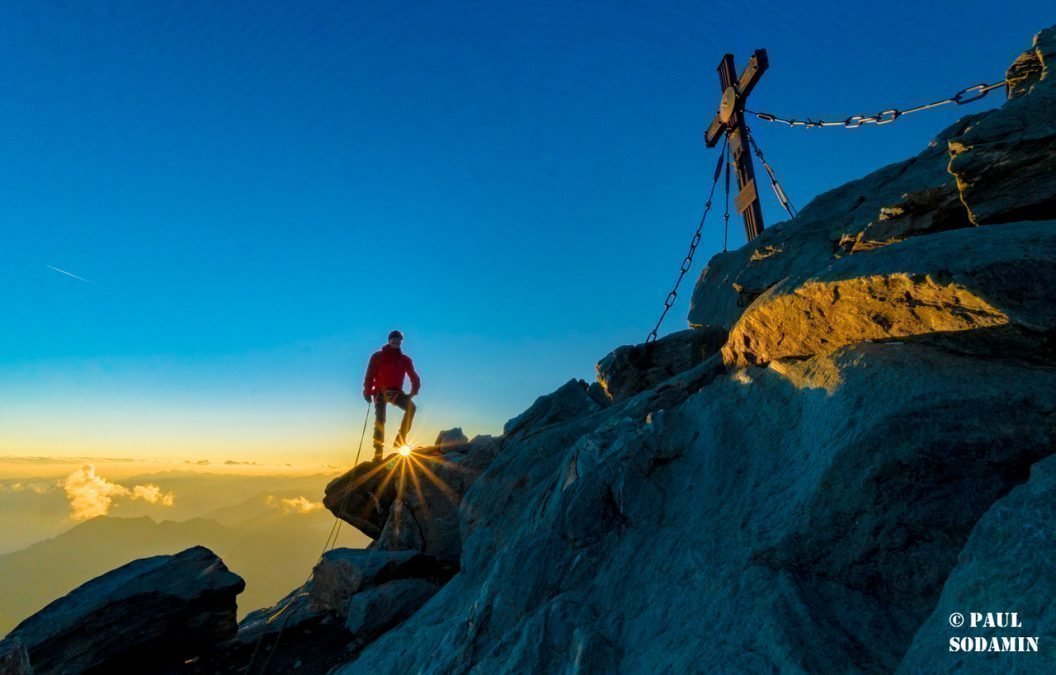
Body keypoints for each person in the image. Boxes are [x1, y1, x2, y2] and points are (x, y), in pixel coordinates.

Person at [363, 330, 421, 461]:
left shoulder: (405, 360)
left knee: (411, 408)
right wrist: (367, 391)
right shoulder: (377, 356)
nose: (396, 341)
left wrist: (413, 392)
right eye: (393, 339)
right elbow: (369, 375)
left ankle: (400, 439)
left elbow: (414, 377)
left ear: (401, 342)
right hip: (380, 392)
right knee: (380, 420)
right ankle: (378, 453)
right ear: (389, 340)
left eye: (398, 339)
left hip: (396, 392)